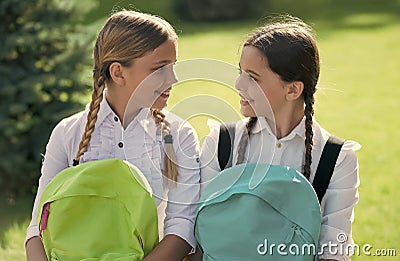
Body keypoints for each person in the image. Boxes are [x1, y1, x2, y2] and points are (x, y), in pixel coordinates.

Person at [25, 10, 200, 261]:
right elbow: (38, 226)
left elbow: (182, 225)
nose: (173, 78)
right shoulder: (68, 133)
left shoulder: (179, 135)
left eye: (173, 66)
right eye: (161, 68)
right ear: (118, 73)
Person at [200, 15, 360, 261]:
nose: (238, 84)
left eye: (252, 77)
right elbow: (200, 237)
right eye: (240, 72)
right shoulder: (221, 142)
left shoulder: (337, 158)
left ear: (293, 89)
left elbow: (334, 250)